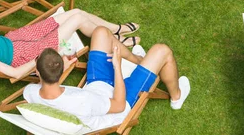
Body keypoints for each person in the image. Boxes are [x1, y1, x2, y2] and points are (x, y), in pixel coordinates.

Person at [24, 28, 190, 132]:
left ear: (37, 72)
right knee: (163, 51)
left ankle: (138, 59)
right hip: (120, 102)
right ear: (61, 72)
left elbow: (44, 87)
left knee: (101, 33)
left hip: (96, 87)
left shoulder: (30, 93)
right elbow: (118, 105)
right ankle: (176, 96)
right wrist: (117, 67)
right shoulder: (82, 101)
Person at [0, 5, 142, 79]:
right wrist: (39, 57)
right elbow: (15, 73)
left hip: (20, 38)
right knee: (78, 20)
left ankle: (116, 31)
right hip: (26, 54)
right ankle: (114, 37)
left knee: (76, 12)